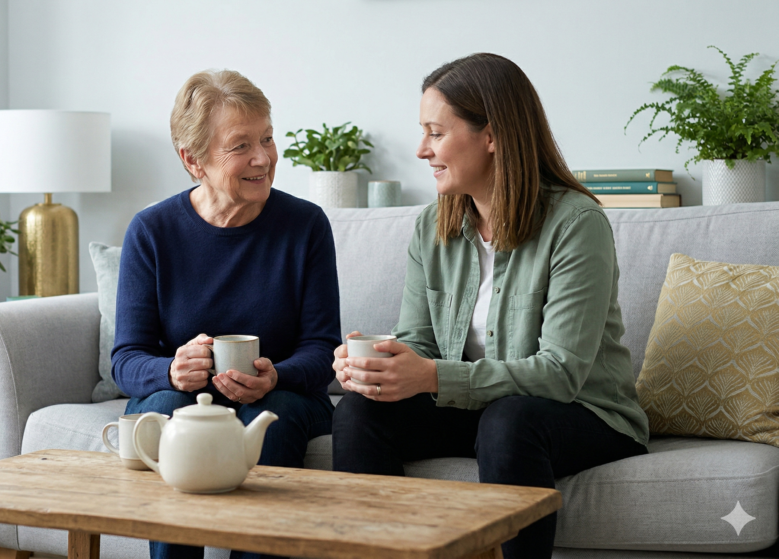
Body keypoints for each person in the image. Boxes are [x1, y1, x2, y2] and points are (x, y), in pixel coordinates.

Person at [329, 53, 650, 559]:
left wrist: (432, 377)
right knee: (359, 413)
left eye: (436, 133)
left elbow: (561, 372)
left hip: (584, 413)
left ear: (493, 136)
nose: (421, 150)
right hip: (482, 409)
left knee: (510, 421)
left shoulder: (575, 223)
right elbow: (420, 341)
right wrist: (379, 365)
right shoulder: (430, 227)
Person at [112, 69, 339, 559]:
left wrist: (276, 374)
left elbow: (323, 350)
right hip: (185, 400)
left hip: (284, 396)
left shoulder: (306, 226)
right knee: (167, 415)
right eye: (241, 146)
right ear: (193, 160)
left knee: (270, 416)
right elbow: (126, 359)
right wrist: (171, 370)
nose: (264, 158)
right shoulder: (152, 231)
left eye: (267, 138)